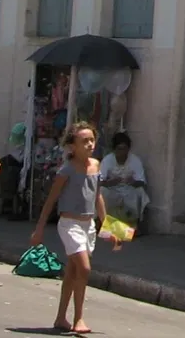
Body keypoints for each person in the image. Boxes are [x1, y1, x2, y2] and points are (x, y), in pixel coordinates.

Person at [32, 121, 122, 336]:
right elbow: (51, 200)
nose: (90, 144)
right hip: (69, 224)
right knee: (84, 268)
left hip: (88, 225)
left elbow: (97, 196)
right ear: (72, 146)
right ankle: (78, 318)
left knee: (72, 272)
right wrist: (39, 229)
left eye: (92, 140)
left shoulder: (96, 165)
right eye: (85, 141)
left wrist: (109, 229)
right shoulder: (67, 170)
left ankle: (60, 318)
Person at [97, 131, 150, 229]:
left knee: (140, 192)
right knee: (102, 191)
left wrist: (133, 182)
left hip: (128, 189)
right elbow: (99, 181)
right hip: (112, 189)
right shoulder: (107, 160)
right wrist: (110, 182)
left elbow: (142, 182)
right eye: (119, 149)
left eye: (124, 149)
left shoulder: (135, 160)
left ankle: (135, 224)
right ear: (114, 150)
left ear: (128, 149)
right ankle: (101, 222)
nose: (122, 152)